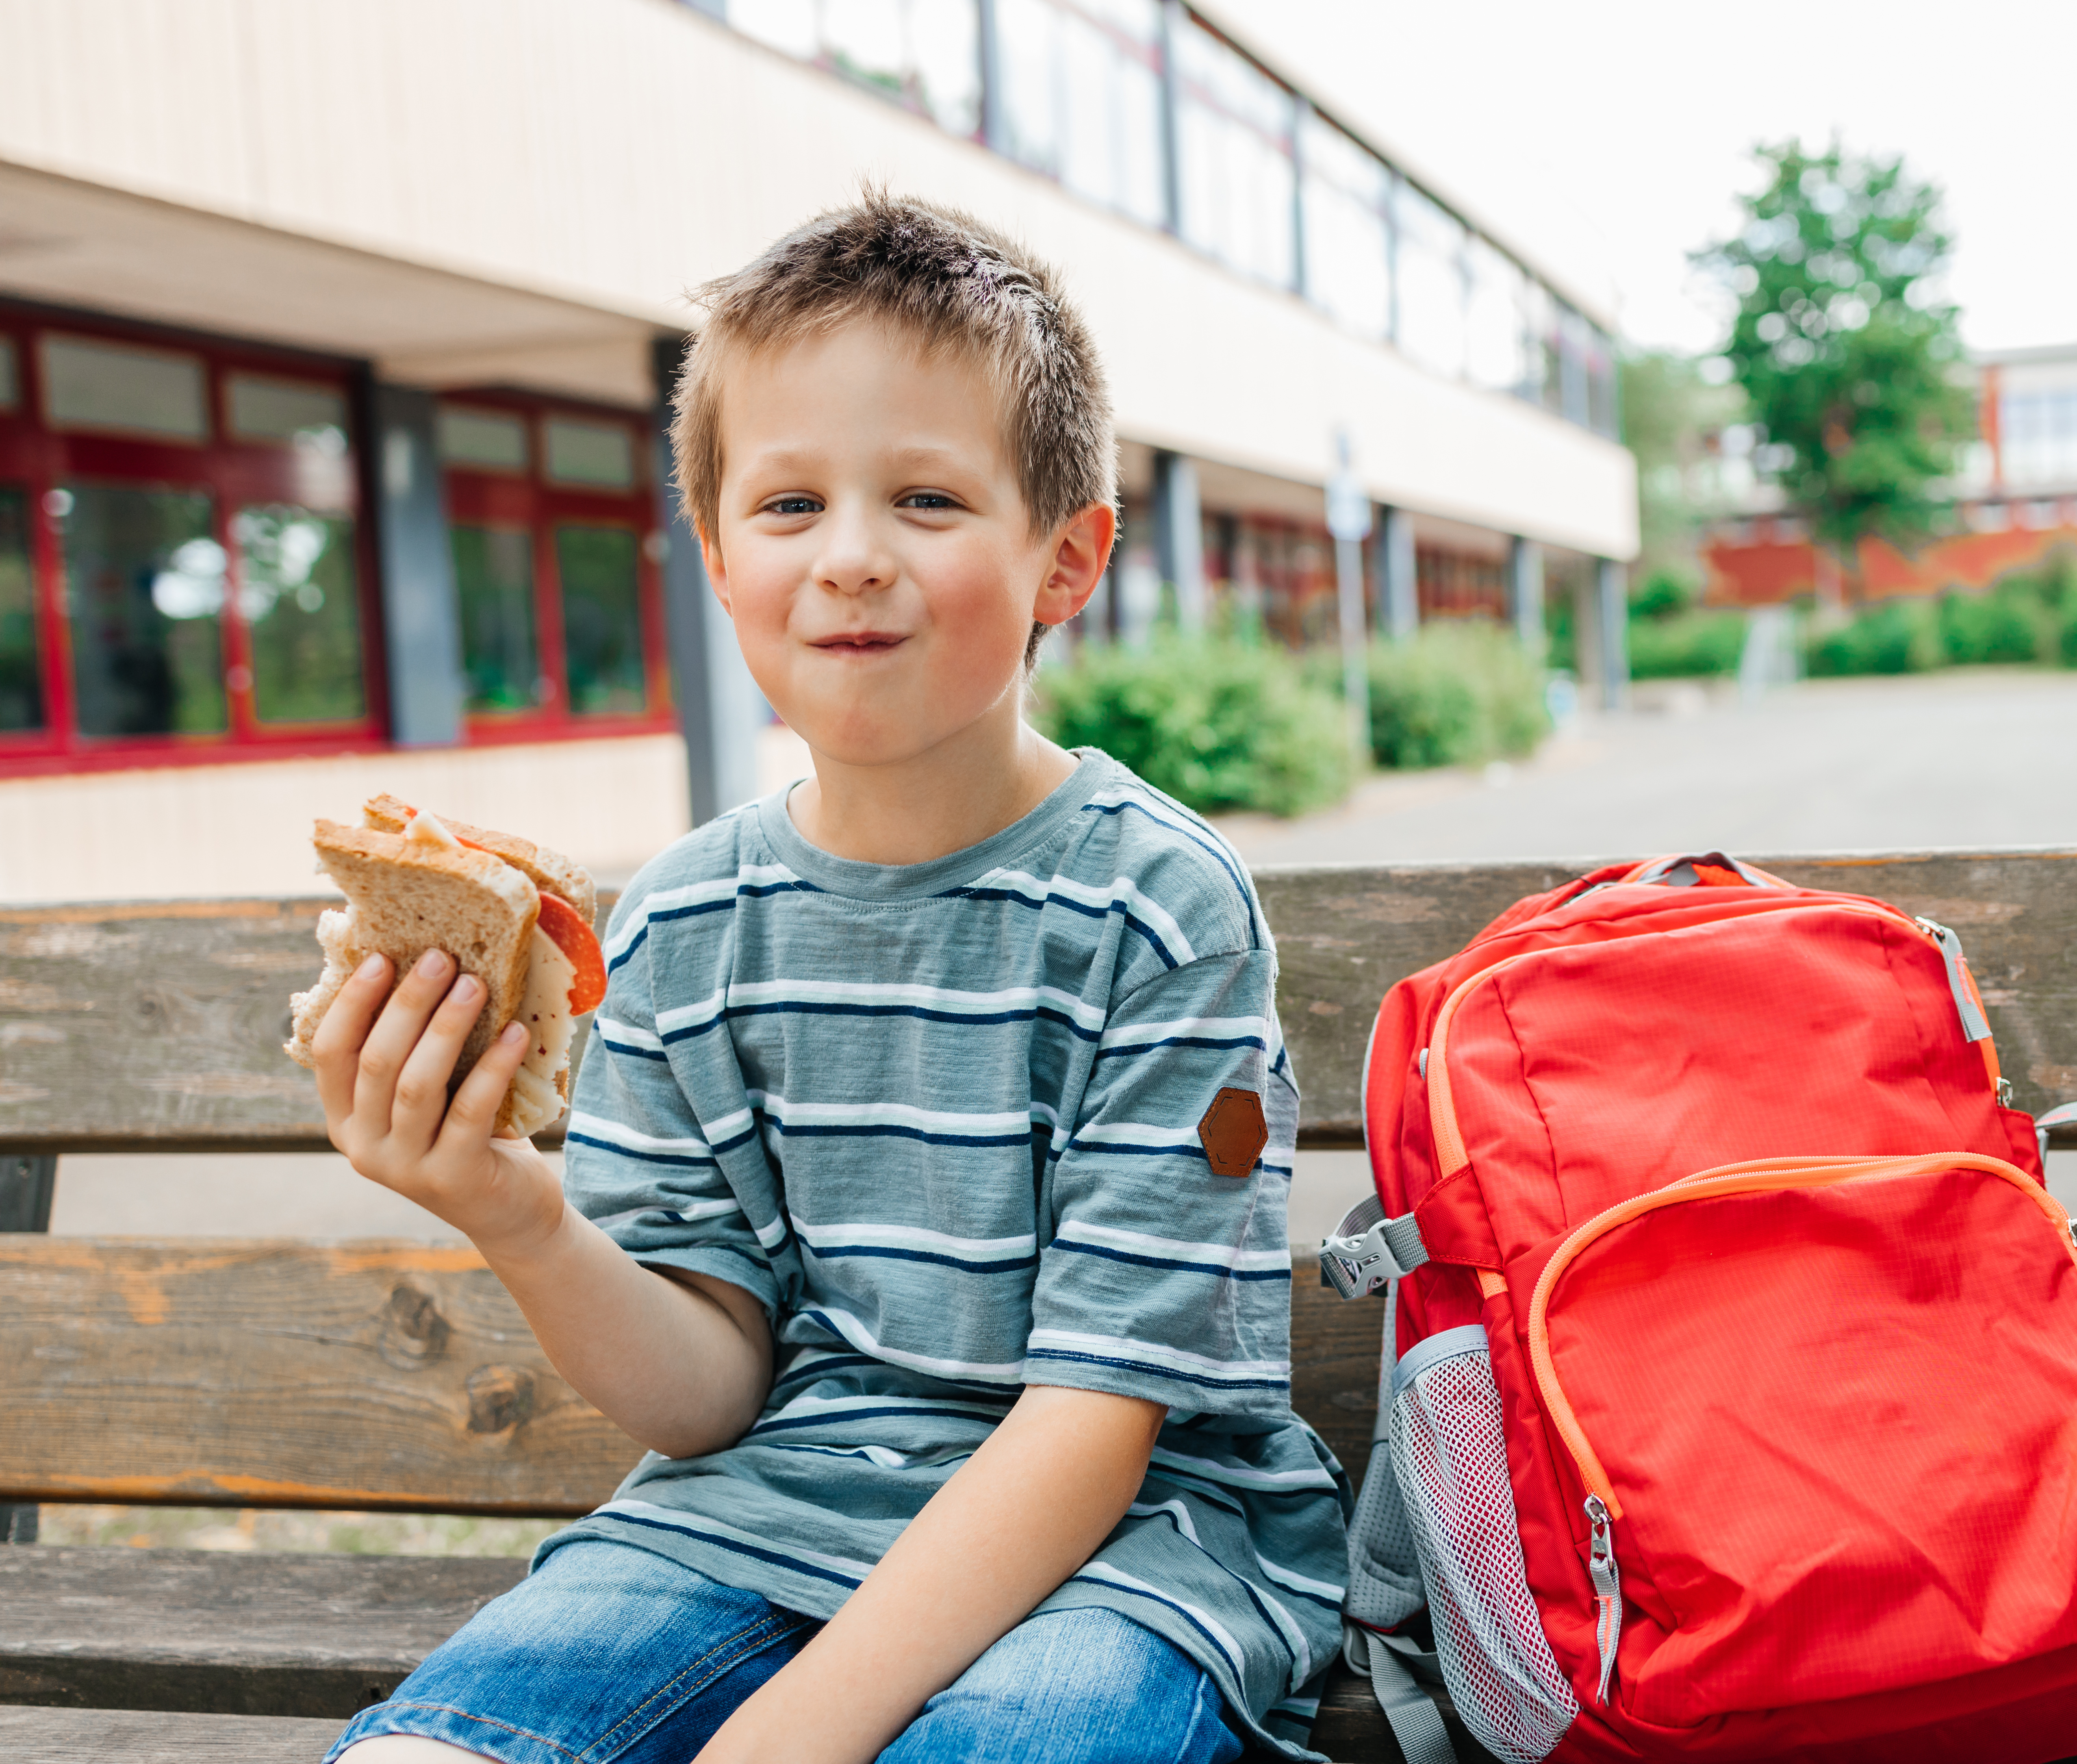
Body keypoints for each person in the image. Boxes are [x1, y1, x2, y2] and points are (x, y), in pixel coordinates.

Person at [308, 192, 1343, 1764]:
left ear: (1067, 560)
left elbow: (1092, 1430)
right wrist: (515, 1209)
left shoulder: (1157, 907)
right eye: (789, 506)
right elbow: (707, 1391)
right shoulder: (676, 924)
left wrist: (791, 1732)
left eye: (926, 497)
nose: (851, 558)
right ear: (719, 560)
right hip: (750, 1516)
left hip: (1128, 1548)